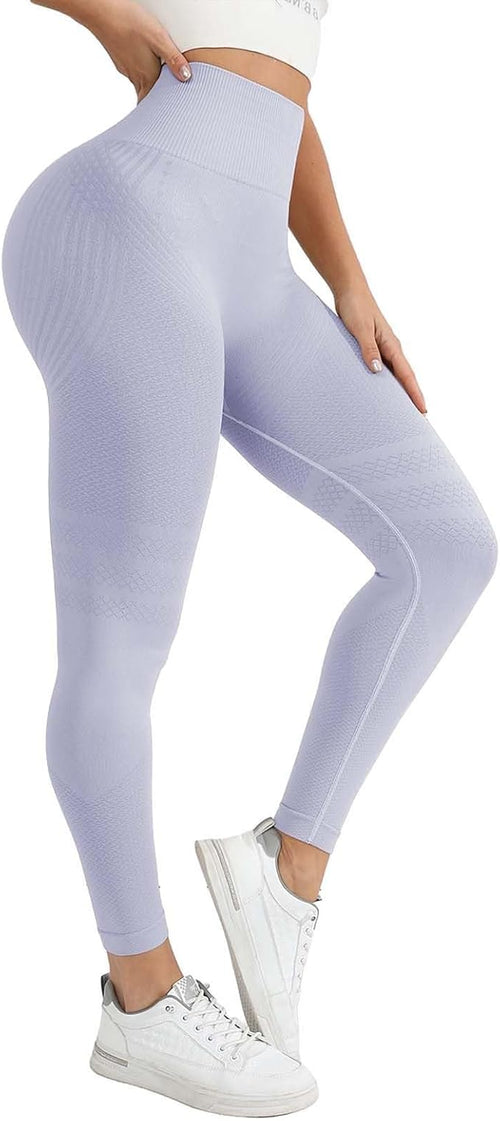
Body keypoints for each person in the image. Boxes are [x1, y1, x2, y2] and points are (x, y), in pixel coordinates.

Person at [2, 0, 496, 1114]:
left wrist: (349, 277)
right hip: (126, 219)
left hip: (254, 259)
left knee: (446, 542)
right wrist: (100, 11)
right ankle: (141, 997)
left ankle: (286, 868)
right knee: (121, 641)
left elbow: (282, 89)